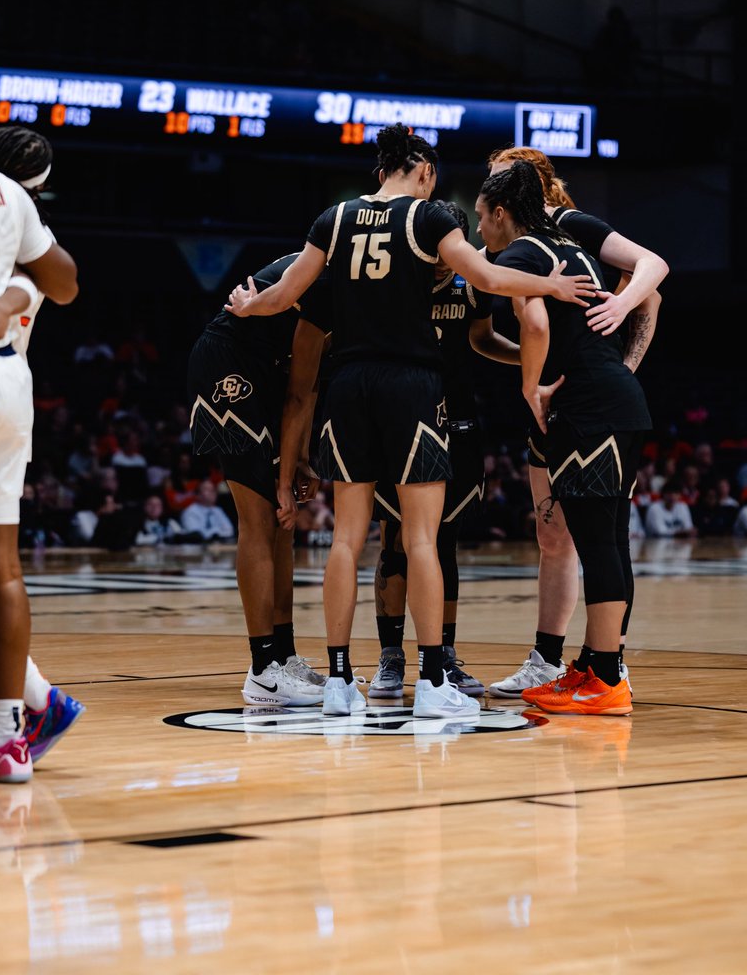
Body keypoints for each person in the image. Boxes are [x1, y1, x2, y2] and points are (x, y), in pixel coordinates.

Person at [230, 122, 600, 720]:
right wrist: (550, 284)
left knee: (347, 540)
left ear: (381, 170)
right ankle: (431, 680)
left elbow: (287, 290)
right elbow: (486, 277)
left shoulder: (336, 216)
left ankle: (339, 681)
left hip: (347, 385)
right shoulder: (433, 218)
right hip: (412, 384)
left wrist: (252, 304)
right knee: (422, 537)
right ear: (424, 171)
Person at [483, 146, 668, 699]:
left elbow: (648, 287)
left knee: (598, 541)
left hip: (585, 403)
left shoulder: (549, 236)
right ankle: (587, 662)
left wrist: (536, 383)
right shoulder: (558, 247)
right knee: (585, 537)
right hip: (596, 400)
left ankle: (606, 671)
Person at [368, 201, 520, 700]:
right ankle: (391, 657)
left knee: (444, 538)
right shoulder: (395, 279)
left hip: (457, 417)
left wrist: (527, 358)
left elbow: (481, 338)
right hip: (400, 414)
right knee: (395, 535)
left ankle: (445, 654)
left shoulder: (472, 280)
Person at [187, 250, 332, 708]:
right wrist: (286, 478)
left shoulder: (350, 279)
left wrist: (302, 461)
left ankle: (283, 656)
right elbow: (297, 396)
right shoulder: (330, 280)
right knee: (261, 520)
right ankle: (262, 670)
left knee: (283, 528)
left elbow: (307, 388)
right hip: (228, 363)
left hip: (268, 370)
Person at [0, 126, 83, 782]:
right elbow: (67, 283)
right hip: (7, 388)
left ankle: (37, 706)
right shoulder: (20, 223)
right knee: (2, 567)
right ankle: (17, 723)